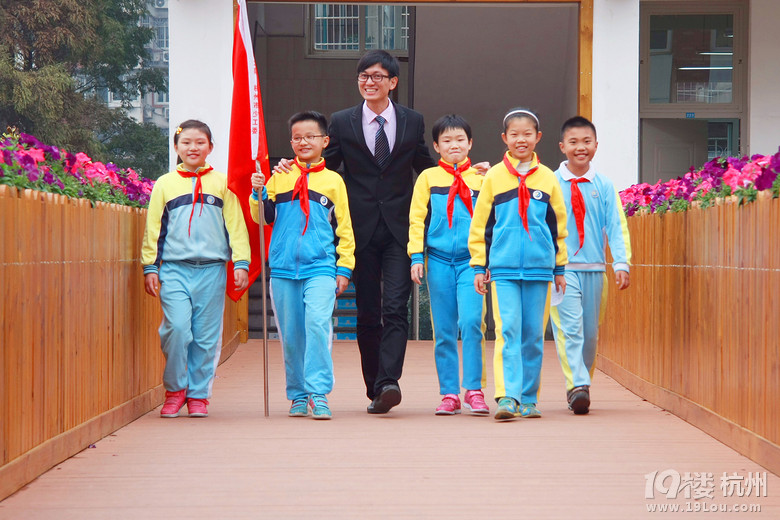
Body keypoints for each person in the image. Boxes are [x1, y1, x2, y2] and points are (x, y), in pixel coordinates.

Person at [250, 111, 355, 420]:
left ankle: (318, 392)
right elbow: (263, 218)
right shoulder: (279, 176)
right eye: (297, 137)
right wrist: (258, 191)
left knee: (317, 326)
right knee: (292, 335)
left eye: (310, 136)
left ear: (325, 141)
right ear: (291, 142)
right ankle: (297, 394)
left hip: (320, 267)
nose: (303, 142)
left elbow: (345, 229)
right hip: (283, 268)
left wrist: (344, 268)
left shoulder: (334, 181)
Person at [142, 119, 250, 418]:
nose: (193, 147)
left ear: (210, 147)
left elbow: (236, 226)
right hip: (174, 269)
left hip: (212, 270)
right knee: (176, 329)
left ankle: (198, 395)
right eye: (186, 142)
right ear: (176, 147)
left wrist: (241, 262)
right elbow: (154, 229)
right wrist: (150, 266)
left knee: (205, 337)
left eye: (200, 142)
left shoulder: (223, 183)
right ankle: (175, 390)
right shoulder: (165, 184)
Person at [468, 108, 568, 421]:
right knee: (507, 330)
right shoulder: (494, 176)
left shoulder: (548, 177)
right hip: (503, 269)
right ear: (505, 138)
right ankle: (507, 396)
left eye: (527, 134)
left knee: (534, 335)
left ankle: (528, 398)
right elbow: (481, 225)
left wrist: (560, 268)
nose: (521, 139)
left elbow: (558, 226)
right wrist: (479, 265)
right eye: (514, 134)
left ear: (538, 137)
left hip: (540, 270)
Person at [408, 114, 489, 416]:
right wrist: (417, 256)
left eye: (459, 139)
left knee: (472, 323)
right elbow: (417, 219)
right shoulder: (428, 178)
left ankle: (474, 390)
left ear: (470, 143)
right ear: (436, 146)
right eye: (447, 140)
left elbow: (491, 222)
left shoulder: (483, 178)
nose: (454, 145)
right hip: (439, 261)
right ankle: (450, 393)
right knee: (443, 329)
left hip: (472, 263)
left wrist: (486, 260)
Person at [550, 116, 631, 415]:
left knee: (590, 335)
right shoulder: (551, 183)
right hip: (562, 270)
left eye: (586, 141)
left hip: (595, 270)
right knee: (570, 329)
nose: (580, 147)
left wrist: (621, 262)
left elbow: (616, 225)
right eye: (573, 142)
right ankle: (578, 385)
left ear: (596, 145)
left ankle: (581, 385)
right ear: (562, 146)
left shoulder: (604, 185)